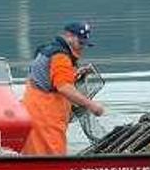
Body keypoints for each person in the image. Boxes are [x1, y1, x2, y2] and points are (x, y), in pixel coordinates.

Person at [22, 21, 105, 155]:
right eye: (80, 43)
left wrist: (76, 74)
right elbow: (64, 87)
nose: (82, 48)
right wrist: (91, 105)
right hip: (46, 116)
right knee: (53, 154)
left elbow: (50, 78)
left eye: (84, 44)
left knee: (35, 153)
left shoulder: (48, 50)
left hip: (33, 111)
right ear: (69, 36)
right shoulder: (61, 57)